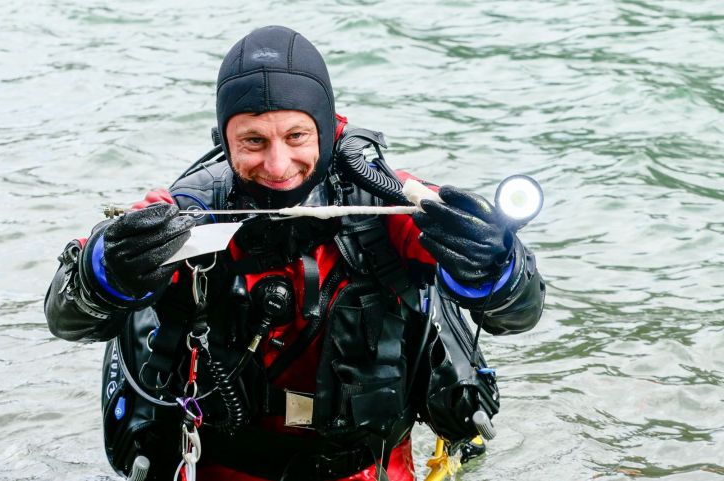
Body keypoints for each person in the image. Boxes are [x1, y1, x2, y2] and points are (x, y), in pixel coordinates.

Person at [45, 25, 545, 481]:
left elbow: (518, 315)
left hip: (371, 467)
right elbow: (68, 320)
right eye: (254, 141)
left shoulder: (392, 208)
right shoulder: (189, 213)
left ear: (327, 128)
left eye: (297, 136)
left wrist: (493, 262)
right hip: (222, 467)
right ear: (225, 140)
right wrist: (106, 268)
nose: (278, 164)